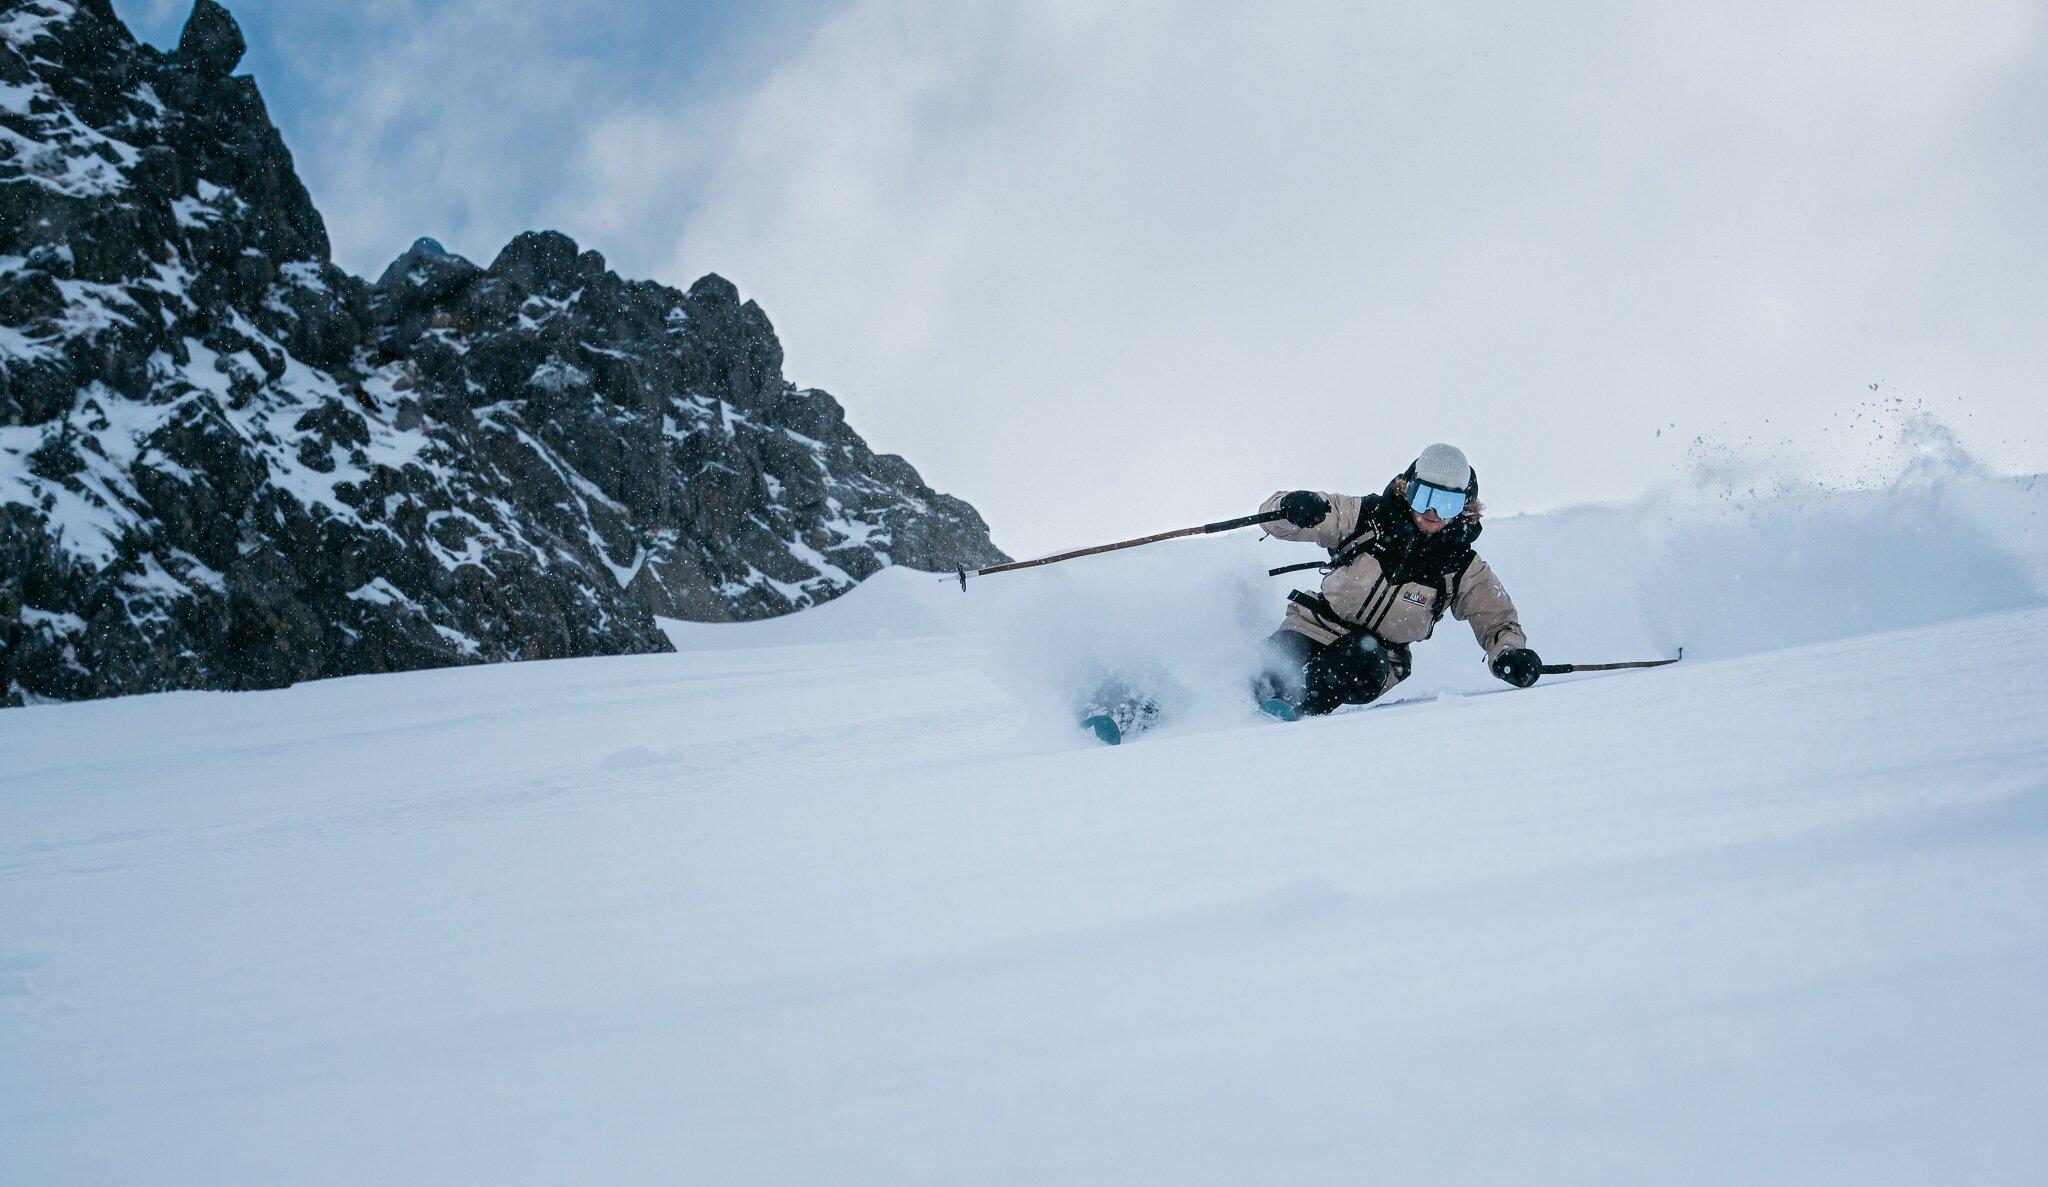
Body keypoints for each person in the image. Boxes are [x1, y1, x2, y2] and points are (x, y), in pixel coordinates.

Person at [1255, 443, 1541, 717]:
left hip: (1377, 657)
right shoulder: (1366, 518)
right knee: (1276, 665)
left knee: (1357, 651)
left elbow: (1498, 620)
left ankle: (1294, 712)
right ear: (1408, 489)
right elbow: (1273, 518)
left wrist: (1510, 653)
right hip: (1313, 626)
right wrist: (1292, 507)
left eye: (1447, 503)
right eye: (1424, 497)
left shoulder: (1461, 566)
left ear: (1464, 507)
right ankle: (1243, 708)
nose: (1433, 512)